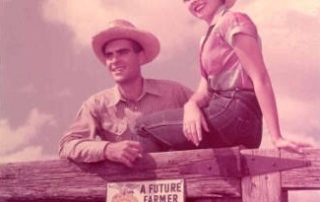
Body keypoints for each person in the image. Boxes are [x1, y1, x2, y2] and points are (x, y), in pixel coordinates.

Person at [135, 0, 310, 153]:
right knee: (172, 146)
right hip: (232, 118)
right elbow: (204, 90)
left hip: (234, 110)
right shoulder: (205, 39)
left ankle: (150, 189)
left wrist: (276, 136)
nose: (194, 1)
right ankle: (179, 189)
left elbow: (260, 77)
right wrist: (191, 105)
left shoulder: (233, 20)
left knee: (143, 128)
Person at [59, 19, 192, 167]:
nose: (115, 60)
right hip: (125, 188)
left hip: (177, 183)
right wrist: (107, 149)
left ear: (140, 57)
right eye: (109, 55)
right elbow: (67, 145)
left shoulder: (174, 92)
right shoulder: (96, 104)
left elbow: (211, 117)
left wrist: (193, 105)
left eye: (123, 52)